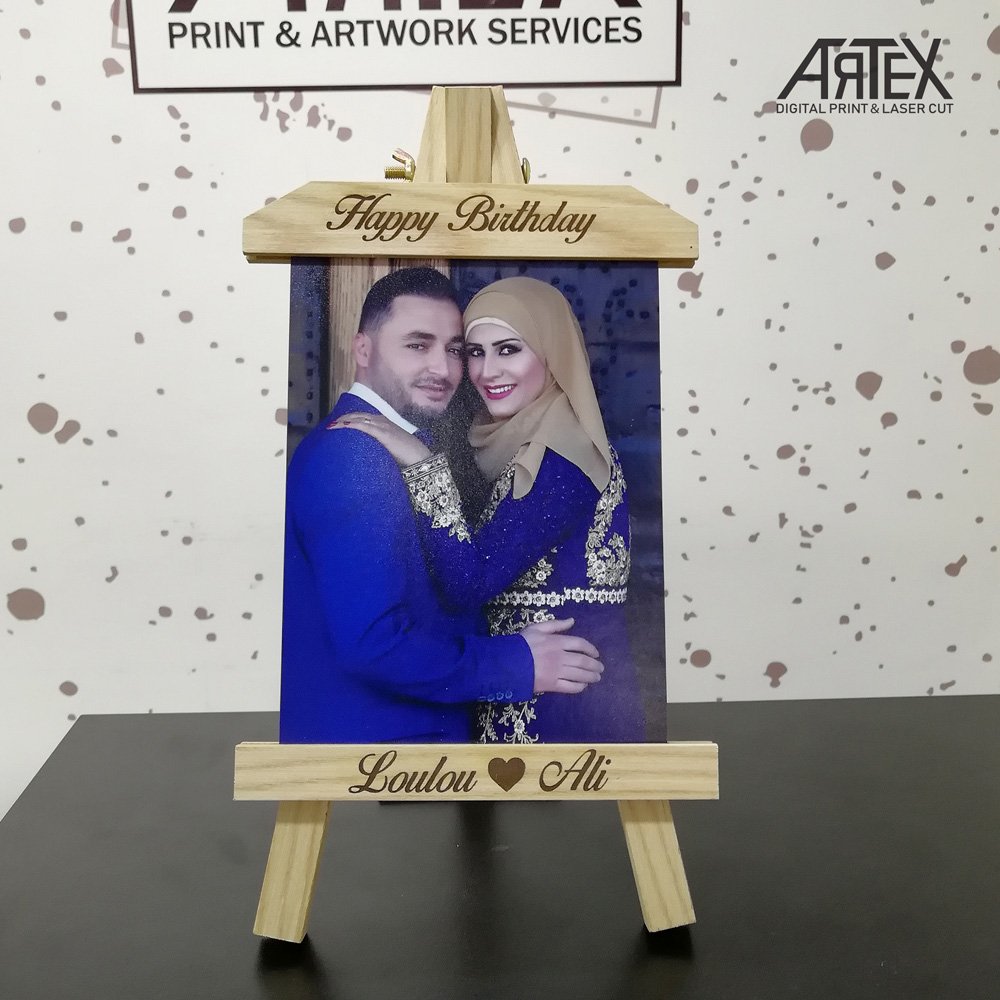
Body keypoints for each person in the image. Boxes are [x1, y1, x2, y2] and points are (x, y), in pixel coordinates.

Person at [279, 267, 604, 745]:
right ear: (363, 349)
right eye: (417, 345)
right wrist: (515, 663)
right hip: (384, 754)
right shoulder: (355, 453)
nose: (444, 369)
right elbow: (374, 644)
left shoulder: (401, 445)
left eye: (454, 350)